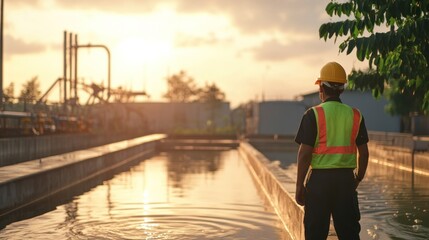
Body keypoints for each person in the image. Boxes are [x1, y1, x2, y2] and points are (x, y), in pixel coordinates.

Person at [294, 62, 369, 240]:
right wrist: (357, 178)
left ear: (321, 87)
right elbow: (364, 153)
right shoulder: (356, 115)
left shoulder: (313, 114)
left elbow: (304, 154)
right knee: (349, 233)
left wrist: (299, 185)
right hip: (345, 181)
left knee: (315, 233)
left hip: (319, 182)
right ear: (342, 89)